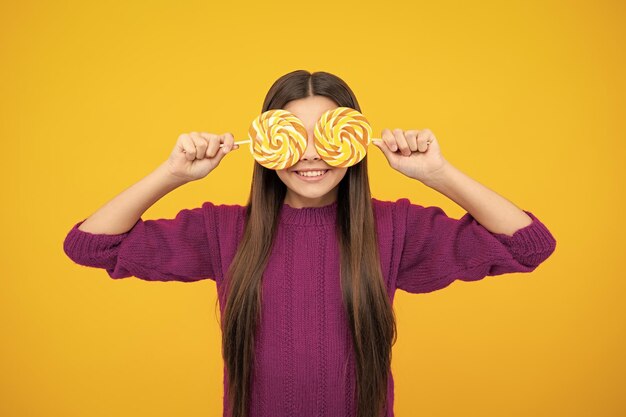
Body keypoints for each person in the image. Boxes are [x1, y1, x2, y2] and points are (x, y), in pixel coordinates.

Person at [62, 69, 557, 417]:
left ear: (357, 141)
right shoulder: (224, 231)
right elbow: (90, 246)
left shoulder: (394, 230)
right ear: (264, 145)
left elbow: (527, 246)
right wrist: (170, 174)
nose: (312, 154)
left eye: (329, 135)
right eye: (293, 136)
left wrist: (438, 174)